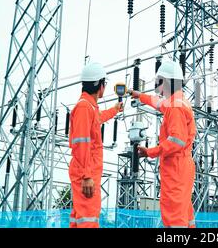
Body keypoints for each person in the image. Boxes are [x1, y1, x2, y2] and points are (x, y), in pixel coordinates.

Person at [129, 60, 196, 228]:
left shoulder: (175, 107)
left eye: (159, 81)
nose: (158, 85)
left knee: (174, 215)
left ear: (166, 81)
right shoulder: (178, 101)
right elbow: (157, 102)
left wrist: (150, 152)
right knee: (183, 212)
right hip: (182, 166)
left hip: (175, 168)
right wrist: (139, 95)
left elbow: (176, 141)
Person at [69, 62, 123, 228]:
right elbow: (81, 143)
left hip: (88, 171)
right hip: (87, 173)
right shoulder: (85, 108)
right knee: (88, 219)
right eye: (104, 84)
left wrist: (115, 110)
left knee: (80, 218)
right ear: (100, 86)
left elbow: (99, 117)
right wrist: (86, 175)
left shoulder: (89, 107)